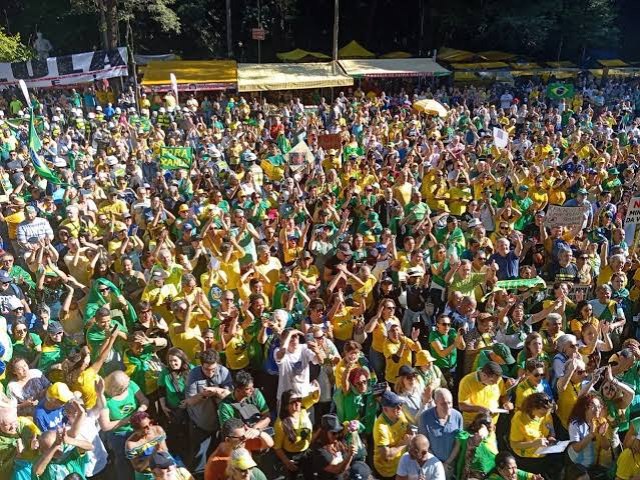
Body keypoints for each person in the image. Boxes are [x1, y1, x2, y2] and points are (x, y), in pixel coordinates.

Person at [184, 349, 233, 474]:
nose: (210, 373)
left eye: (213, 370)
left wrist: (216, 390)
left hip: (220, 423)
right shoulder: (193, 375)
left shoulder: (223, 371)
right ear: (201, 365)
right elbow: (189, 401)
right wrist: (203, 395)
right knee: (199, 456)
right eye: (206, 370)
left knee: (220, 455)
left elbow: (229, 396)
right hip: (201, 423)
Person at [509, 393, 561, 479]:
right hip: (527, 460)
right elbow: (514, 444)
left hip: (543, 456)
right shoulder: (519, 419)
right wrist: (534, 443)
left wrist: (551, 436)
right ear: (532, 408)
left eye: (547, 413)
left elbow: (550, 428)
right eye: (542, 413)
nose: (545, 415)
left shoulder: (546, 412)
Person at [273, 385, 320, 480]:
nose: (298, 403)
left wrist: (315, 386)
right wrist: (286, 461)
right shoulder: (280, 423)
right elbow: (277, 447)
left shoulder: (302, 408)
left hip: (306, 452)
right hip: (292, 456)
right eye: (293, 402)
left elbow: (315, 396)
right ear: (286, 406)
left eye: (299, 399)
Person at [418, 387, 463, 474]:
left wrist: (447, 463)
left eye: (449, 403)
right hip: (431, 463)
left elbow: (458, 443)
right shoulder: (425, 417)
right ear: (435, 403)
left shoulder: (457, 416)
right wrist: (438, 464)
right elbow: (424, 446)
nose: (447, 407)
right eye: (443, 404)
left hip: (450, 464)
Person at [372, 390, 413, 480]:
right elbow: (387, 456)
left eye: (400, 405)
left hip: (401, 464)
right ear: (385, 409)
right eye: (395, 406)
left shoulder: (399, 414)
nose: (399, 408)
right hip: (387, 471)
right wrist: (403, 444)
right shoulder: (380, 427)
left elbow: (408, 429)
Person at [125, 411, 169, 480]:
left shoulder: (158, 430)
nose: (150, 428)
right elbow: (139, 468)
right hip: (146, 475)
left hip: (162, 469)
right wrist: (153, 454)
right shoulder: (131, 445)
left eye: (150, 423)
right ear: (136, 430)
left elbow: (165, 450)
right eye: (145, 427)